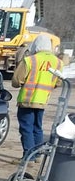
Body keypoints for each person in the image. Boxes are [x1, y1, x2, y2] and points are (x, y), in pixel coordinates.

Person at [11, 33, 62, 162]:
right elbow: (58, 82)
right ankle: (37, 154)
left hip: (27, 100)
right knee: (37, 128)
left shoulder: (30, 60)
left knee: (26, 128)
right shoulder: (58, 62)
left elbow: (16, 81)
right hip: (43, 101)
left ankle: (29, 156)